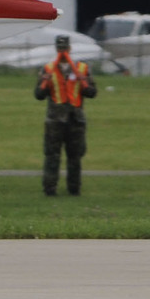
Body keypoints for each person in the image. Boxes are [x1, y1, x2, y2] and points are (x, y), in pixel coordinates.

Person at [35, 34, 97, 196]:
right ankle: (49, 189)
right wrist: (44, 81)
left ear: (69, 49)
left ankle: (74, 189)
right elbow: (38, 95)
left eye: (65, 48)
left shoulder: (82, 68)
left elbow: (92, 93)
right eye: (60, 48)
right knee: (51, 156)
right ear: (57, 49)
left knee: (75, 157)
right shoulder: (48, 69)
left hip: (76, 120)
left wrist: (84, 81)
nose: (63, 51)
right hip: (55, 120)